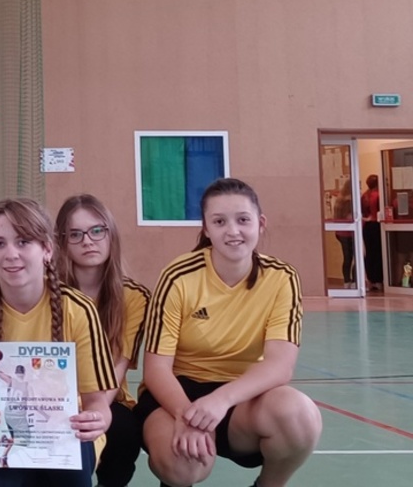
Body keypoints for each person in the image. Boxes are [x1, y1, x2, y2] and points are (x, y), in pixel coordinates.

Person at [137, 178, 322, 487]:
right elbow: (156, 369)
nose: (233, 231)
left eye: (243, 220)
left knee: (300, 416)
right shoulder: (178, 276)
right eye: (219, 221)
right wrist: (186, 415)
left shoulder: (282, 278)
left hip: (240, 398)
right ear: (206, 229)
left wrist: (221, 400)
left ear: (261, 223)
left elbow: (280, 365)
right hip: (176, 396)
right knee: (184, 466)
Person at [0, 198, 117, 487]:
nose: (11, 254)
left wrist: (97, 420)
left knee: (71, 479)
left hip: (65, 434)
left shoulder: (79, 310)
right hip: (6, 433)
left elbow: (97, 404)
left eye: (23, 242)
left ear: (47, 250)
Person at [54, 194, 151, 487]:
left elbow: (119, 365)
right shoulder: (48, 294)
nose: (88, 241)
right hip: (55, 400)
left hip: (107, 398)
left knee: (123, 432)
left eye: (97, 230)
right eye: (76, 234)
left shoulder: (134, 297)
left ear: (111, 234)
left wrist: (93, 412)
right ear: (62, 242)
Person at [331, 182, 356, 288]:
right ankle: (355, 281)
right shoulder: (350, 201)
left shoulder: (339, 200)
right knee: (357, 258)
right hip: (350, 232)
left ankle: (346, 281)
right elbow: (350, 217)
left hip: (340, 232)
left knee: (347, 258)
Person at [361, 175, 383, 292]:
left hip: (366, 226)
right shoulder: (378, 195)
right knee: (378, 253)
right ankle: (378, 279)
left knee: (369, 253)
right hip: (375, 225)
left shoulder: (364, 195)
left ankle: (370, 279)